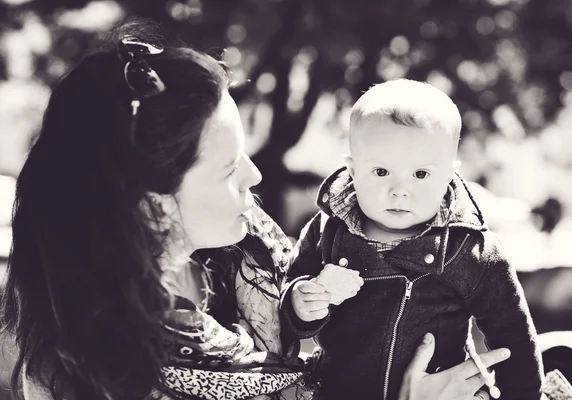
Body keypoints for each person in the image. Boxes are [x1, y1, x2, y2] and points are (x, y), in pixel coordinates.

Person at [0, 21, 511, 400]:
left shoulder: (249, 248)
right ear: (152, 208)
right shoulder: (99, 373)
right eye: (227, 169)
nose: (255, 175)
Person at [281, 79, 544, 400]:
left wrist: (523, 394)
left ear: (449, 176)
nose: (399, 190)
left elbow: (513, 334)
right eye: (381, 172)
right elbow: (292, 288)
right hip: (335, 390)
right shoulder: (329, 231)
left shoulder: (471, 251)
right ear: (352, 171)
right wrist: (299, 303)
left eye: (420, 174)